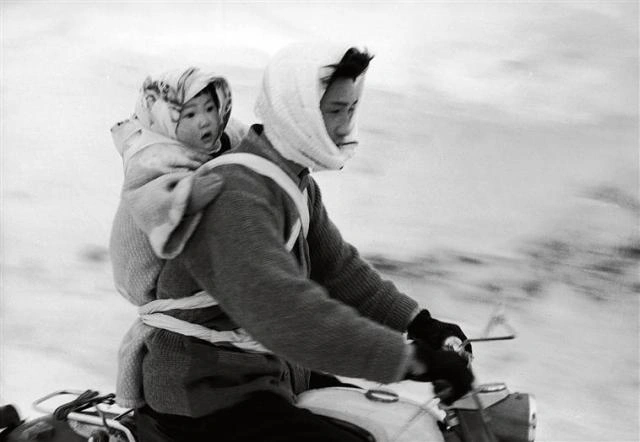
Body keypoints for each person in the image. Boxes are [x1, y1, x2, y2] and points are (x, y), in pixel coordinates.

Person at [123, 43, 474, 442]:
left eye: (350, 110)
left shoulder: (292, 183)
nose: (344, 127)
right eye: (333, 111)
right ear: (297, 111)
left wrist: (420, 324)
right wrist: (411, 361)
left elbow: (338, 269)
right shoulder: (234, 195)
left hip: (267, 375)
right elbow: (288, 315)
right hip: (206, 394)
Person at [108, 66, 247, 408]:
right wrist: (185, 197)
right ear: (165, 118)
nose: (205, 122)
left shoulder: (220, 141)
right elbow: (146, 196)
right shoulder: (152, 155)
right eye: (189, 114)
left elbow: (250, 143)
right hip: (147, 275)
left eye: (210, 109)